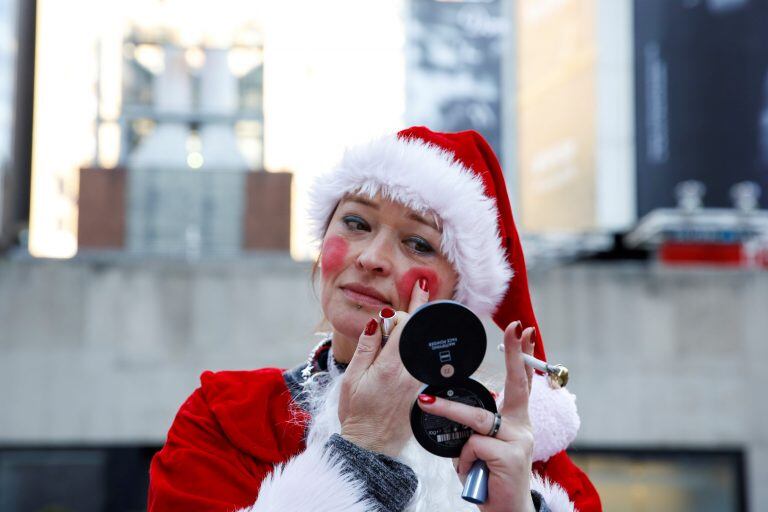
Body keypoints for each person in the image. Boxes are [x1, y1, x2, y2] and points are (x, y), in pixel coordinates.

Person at [148, 126, 602, 512]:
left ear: (458, 293)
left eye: (418, 244)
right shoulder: (229, 416)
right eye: (356, 223)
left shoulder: (524, 456)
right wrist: (363, 453)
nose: (372, 258)